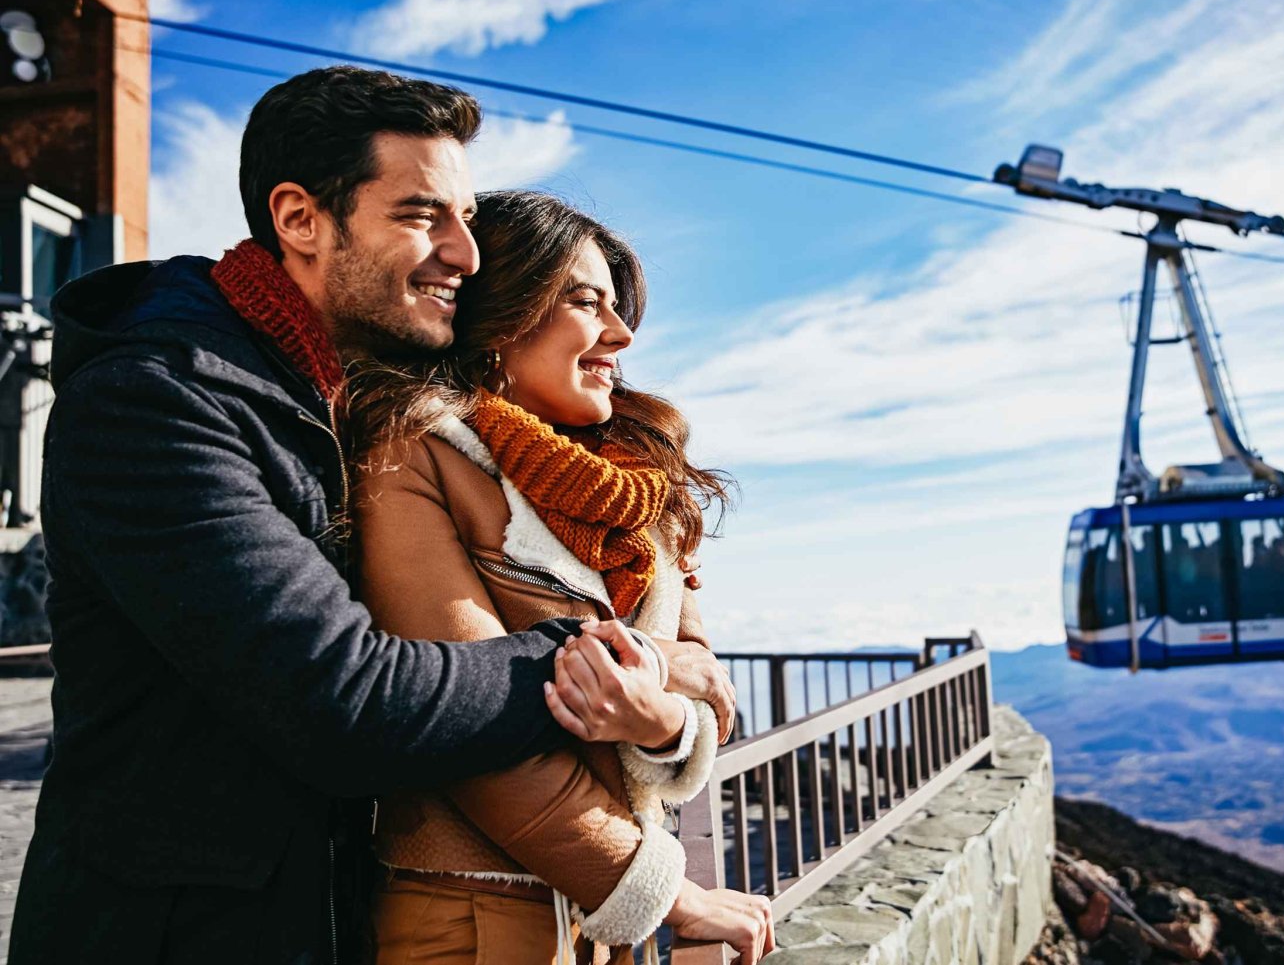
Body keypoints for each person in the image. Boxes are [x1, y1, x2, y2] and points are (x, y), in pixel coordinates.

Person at [9, 67, 682, 965]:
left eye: (468, 219)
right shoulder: (157, 402)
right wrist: (602, 658)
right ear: (300, 220)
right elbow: (347, 702)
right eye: (420, 216)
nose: (466, 256)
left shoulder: (331, 396)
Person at [346, 190, 774, 964]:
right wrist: (669, 894)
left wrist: (658, 721)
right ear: (502, 319)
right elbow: (465, 726)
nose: (622, 333)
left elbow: (708, 689)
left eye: (617, 307)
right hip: (471, 914)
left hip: (596, 917)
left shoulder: (644, 487)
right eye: (585, 302)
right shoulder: (415, 456)